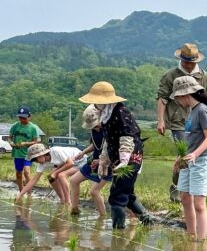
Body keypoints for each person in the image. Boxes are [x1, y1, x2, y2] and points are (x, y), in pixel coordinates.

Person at [79, 80, 152, 229]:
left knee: (116, 198)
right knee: (127, 192)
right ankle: (147, 220)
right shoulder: (105, 115)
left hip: (130, 157)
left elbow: (127, 137)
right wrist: (103, 160)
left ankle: (118, 235)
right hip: (117, 157)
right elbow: (109, 140)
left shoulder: (120, 112)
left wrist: (124, 160)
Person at [156, 43, 207, 200]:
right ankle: (178, 190)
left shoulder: (203, 76)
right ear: (181, 60)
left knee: (198, 152)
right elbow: (162, 98)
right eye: (186, 62)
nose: (189, 65)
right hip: (178, 120)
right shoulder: (171, 75)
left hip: (199, 118)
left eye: (192, 62)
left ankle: (193, 190)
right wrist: (160, 121)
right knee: (184, 152)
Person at [171, 75, 207, 239]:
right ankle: (191, 233)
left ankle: (201, 240)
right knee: (184, 197)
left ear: (184, 95)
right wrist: (179, 159)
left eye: (177, 98)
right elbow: (189, 140)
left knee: (199, 203)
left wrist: (196, 154)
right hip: (188, 161)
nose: (177, 101)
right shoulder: (191, 111)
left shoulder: (202, 110)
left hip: (201, 161)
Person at [70, 105, 111, 217]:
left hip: (107, 163)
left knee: (94, 192)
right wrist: (83, 152)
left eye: (96, 125)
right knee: (73, 180)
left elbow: (113, 149)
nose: (95, 128)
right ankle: (74, 209)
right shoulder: (94, 130)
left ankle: (103, 217)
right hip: (94, 160)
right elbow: (95, 144)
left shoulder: (109, 129)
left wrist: (101, 160)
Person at [15, 142, 86, 203]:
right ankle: (62, 199)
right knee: (51, 178)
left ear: (42, 155)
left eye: (36, 159)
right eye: (34, 160)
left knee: (61, 175)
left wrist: (55, 173)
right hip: (68, 163)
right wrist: (20, 195)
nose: (36, 161)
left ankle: (68, 202)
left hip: (81, 160)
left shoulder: (55, 151)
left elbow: (70, 163)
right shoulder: (42, 163)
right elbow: (33, 180)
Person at [9, 106, 41, 191]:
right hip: (17, 153)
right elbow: (9, 137)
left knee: (27, 172)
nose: (22, 120)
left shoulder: (33, 128)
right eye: (20, 118)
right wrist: (11, 142)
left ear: (29, 116)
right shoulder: (15, 126)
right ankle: (21, 190)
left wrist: (26, 143)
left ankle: (29, 191)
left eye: (24, 118)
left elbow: (35, 141)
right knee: (19, 173)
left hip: (28, 154)